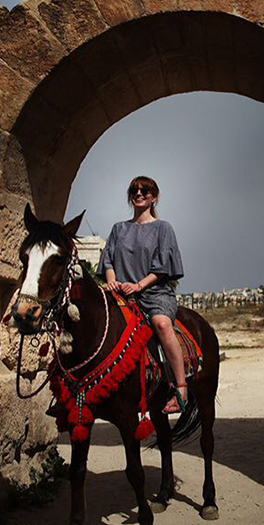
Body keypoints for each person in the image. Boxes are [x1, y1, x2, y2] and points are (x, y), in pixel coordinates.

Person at [98, 176, 188, 414]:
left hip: (154, 293)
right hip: (121, 294)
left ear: (154, 197)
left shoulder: (163, 228)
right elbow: (108, 260)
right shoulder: (119, 228)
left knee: (162, 324)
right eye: (134, 190)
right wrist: (112, 281)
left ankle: (181, 388)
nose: (139, 194)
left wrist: (138, 286)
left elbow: (162, 268)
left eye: (145, 191)